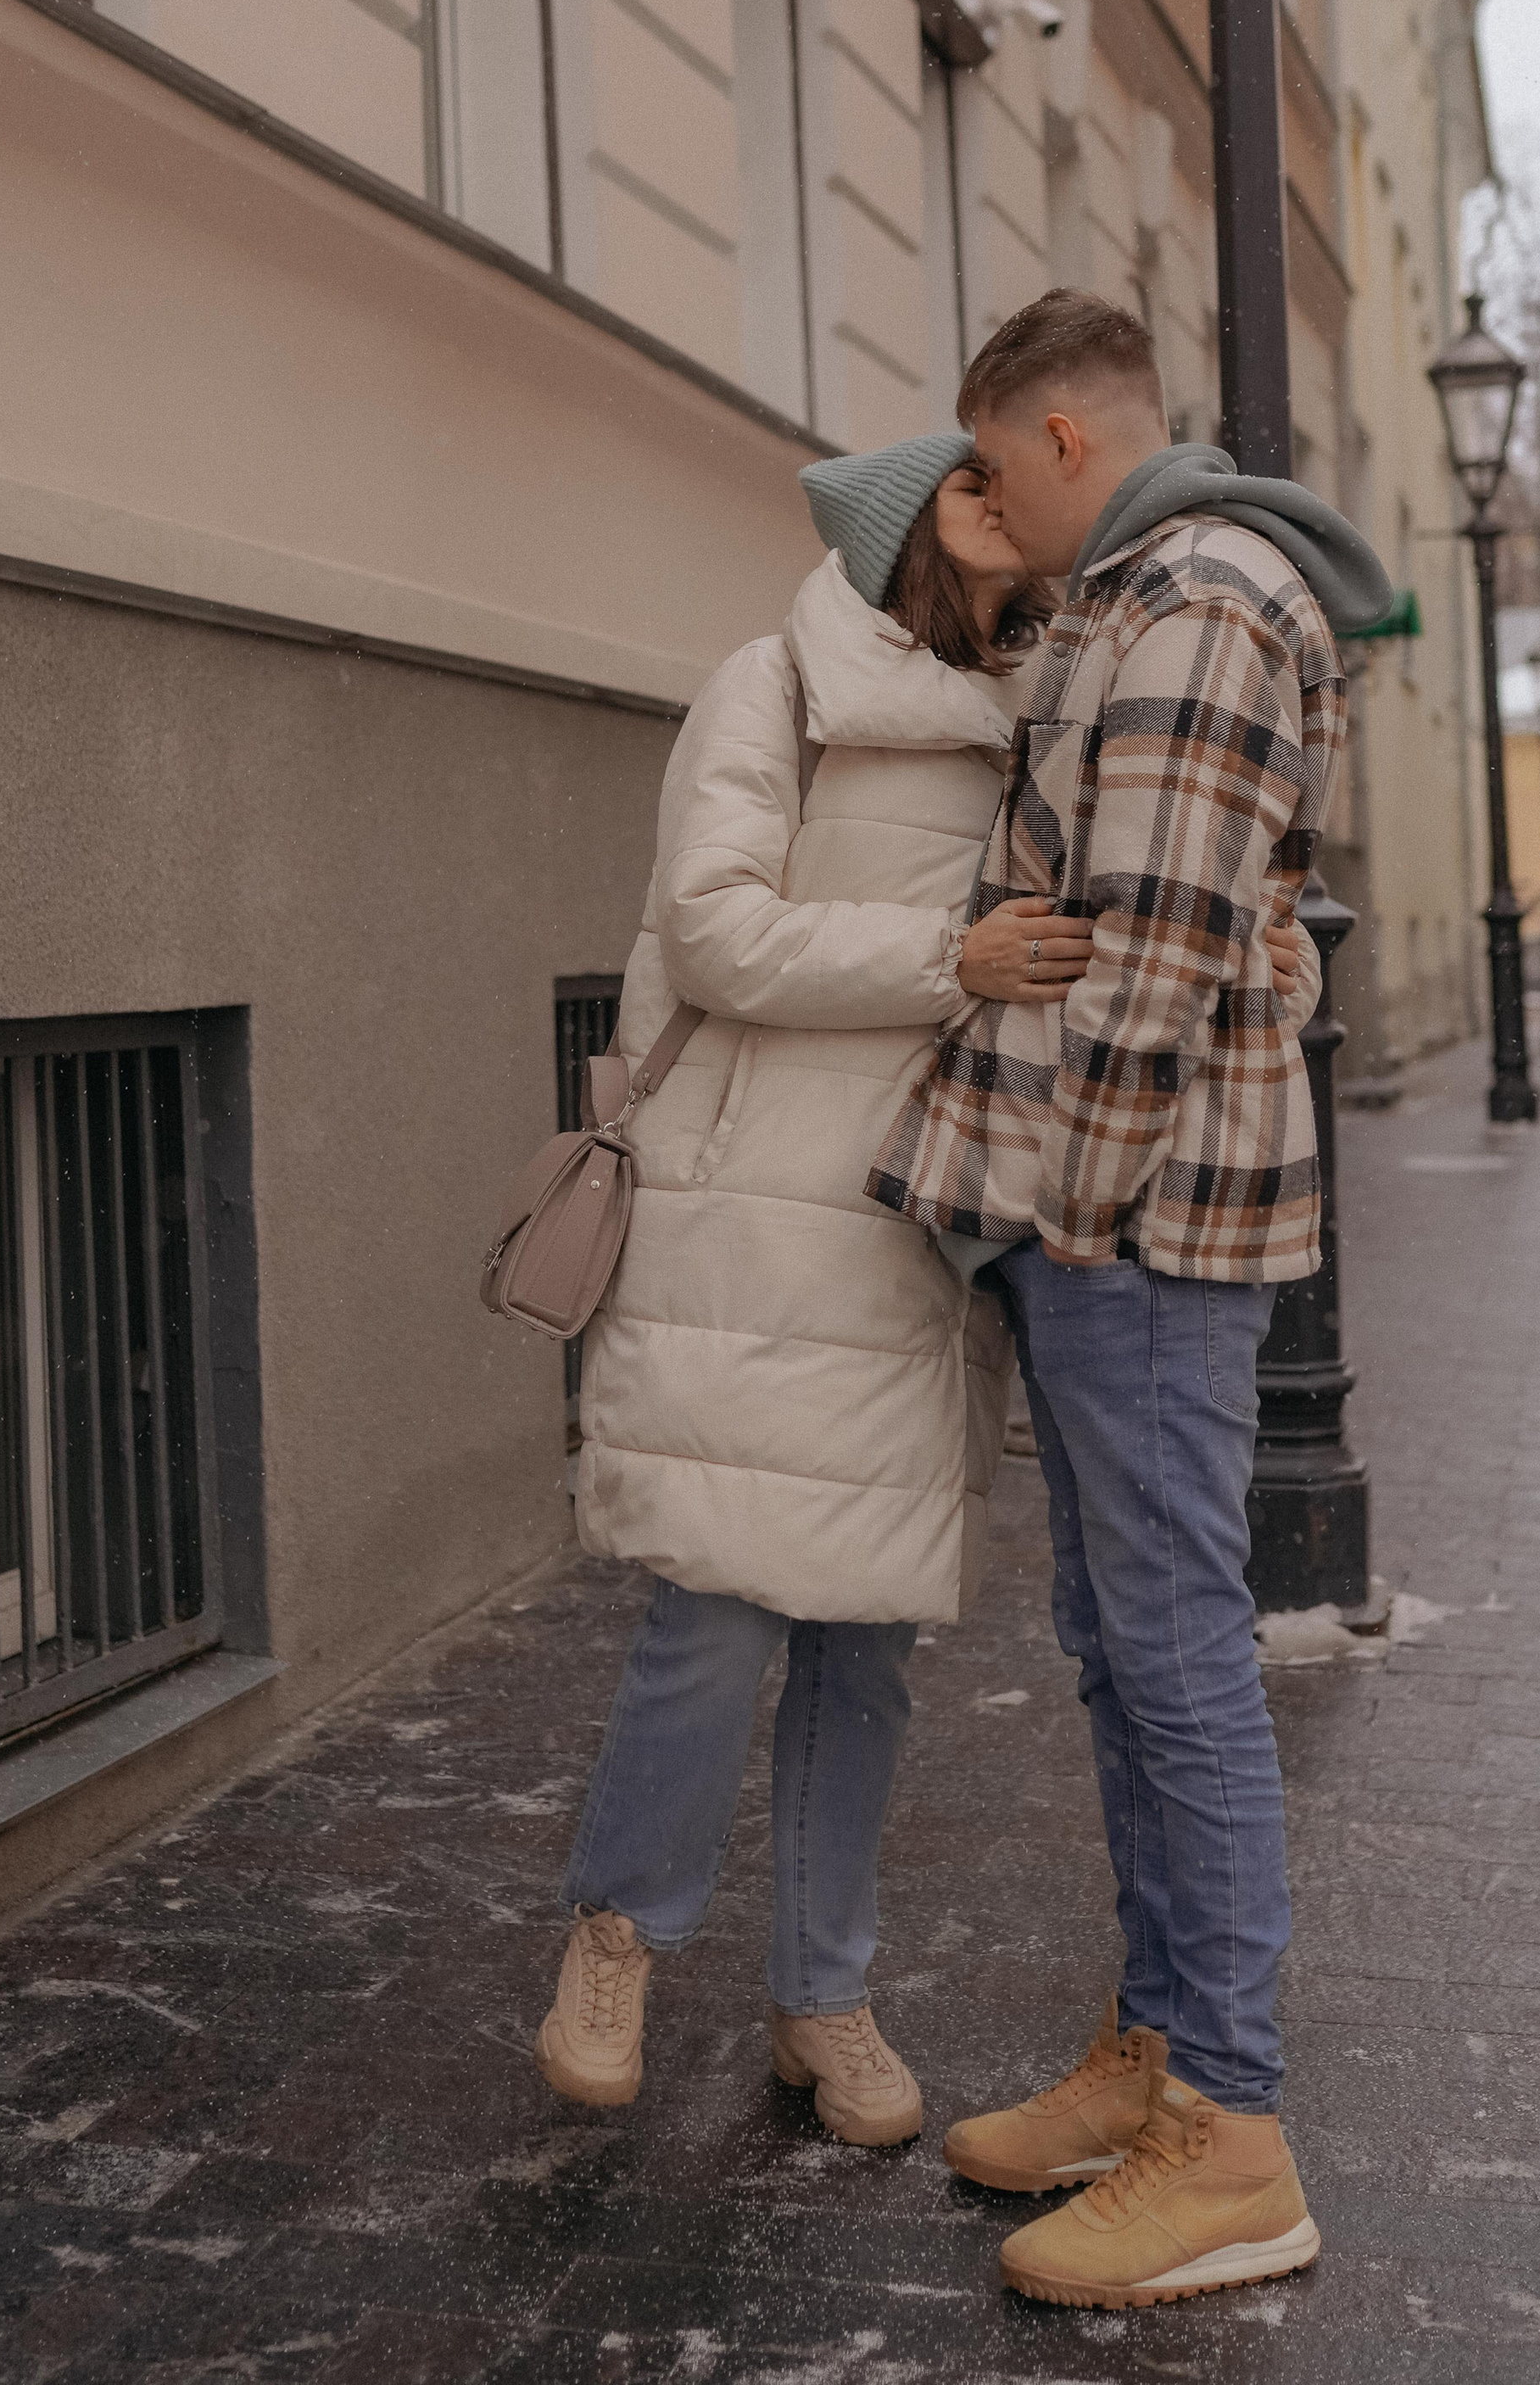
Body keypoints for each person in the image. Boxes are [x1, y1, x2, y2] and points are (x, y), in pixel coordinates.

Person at [868, 288, 1390, 2311]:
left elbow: (1156, 939)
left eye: (988, 467)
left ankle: (1233, 2140)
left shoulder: (1197, 603)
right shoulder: (1138, 591)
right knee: (1121, 1637)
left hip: (1136, 1224)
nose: (973, 503)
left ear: (1070, 446)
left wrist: (1074, 1199)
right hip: (1116, 1219)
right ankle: (1159, 2055)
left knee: (1173, 1658)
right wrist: (990, 564)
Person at [533, 433, 1092, 2149]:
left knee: (865, 1642)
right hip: (743, 1214)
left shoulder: (1045, 711)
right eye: (973, 476)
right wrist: (947, 960)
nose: (1011, 488)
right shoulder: (770, 687)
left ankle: (823, 1995)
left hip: (911, 1217)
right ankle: (614, 1937)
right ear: (905, 520)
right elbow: (710, 933)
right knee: (712, 1608)